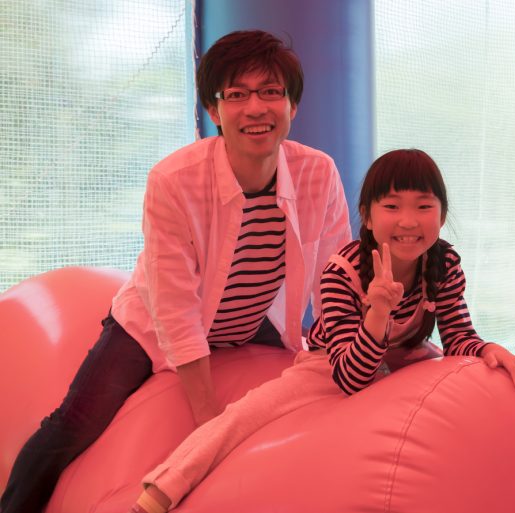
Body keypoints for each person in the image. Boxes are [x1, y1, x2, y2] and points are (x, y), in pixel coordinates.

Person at [0, 30, 351, 513]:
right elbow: (175, 306)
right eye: (237, 95)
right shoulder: (174, 180)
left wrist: (362, 354)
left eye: (271, 92)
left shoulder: (319, 173)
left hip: (250, 322)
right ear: (213, 110)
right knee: (72, 425)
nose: (255, 108)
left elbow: (337, 278)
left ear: (293, 106)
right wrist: (207, 417)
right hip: (151, 326)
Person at [129, 148, 515, 513]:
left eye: (423, 206)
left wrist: (488, 351)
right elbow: (351, 378)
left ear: (442, 215)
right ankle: (164, 487)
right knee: (246, 413)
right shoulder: (341, 272)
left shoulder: (444, 264)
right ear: (367, 216)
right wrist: (378, 312)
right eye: (392, 206)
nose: (408, 221)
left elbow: (457, 338)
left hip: (407, 357)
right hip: (331, 363)